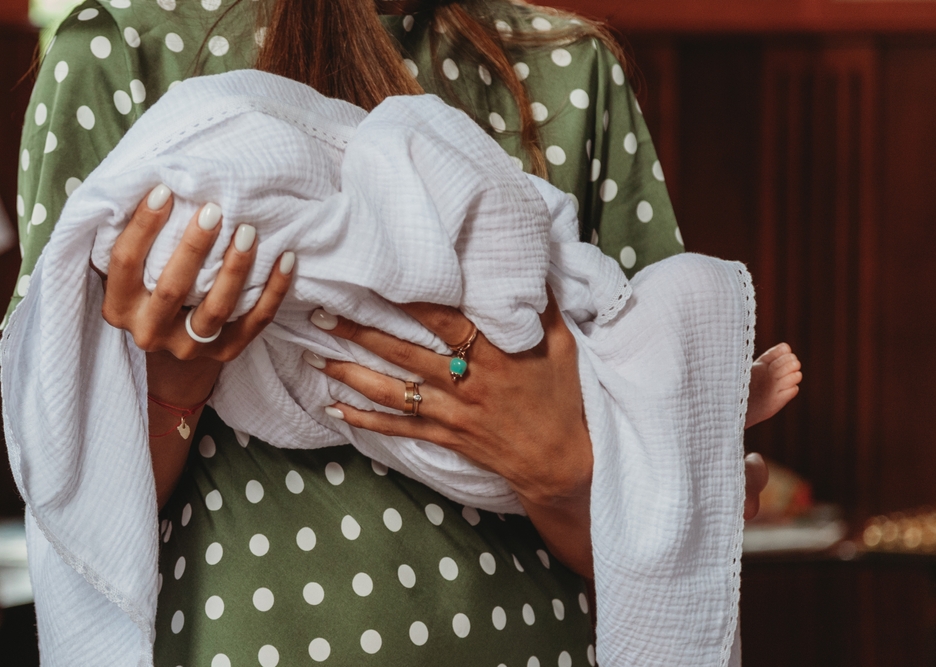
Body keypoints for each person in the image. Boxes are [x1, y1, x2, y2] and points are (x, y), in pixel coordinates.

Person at [8, 0, 799, 664]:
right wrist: (169, 390)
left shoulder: (568, 68)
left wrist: (561, 468)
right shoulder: (115, 55)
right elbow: (73, 515)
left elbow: (676, 543)